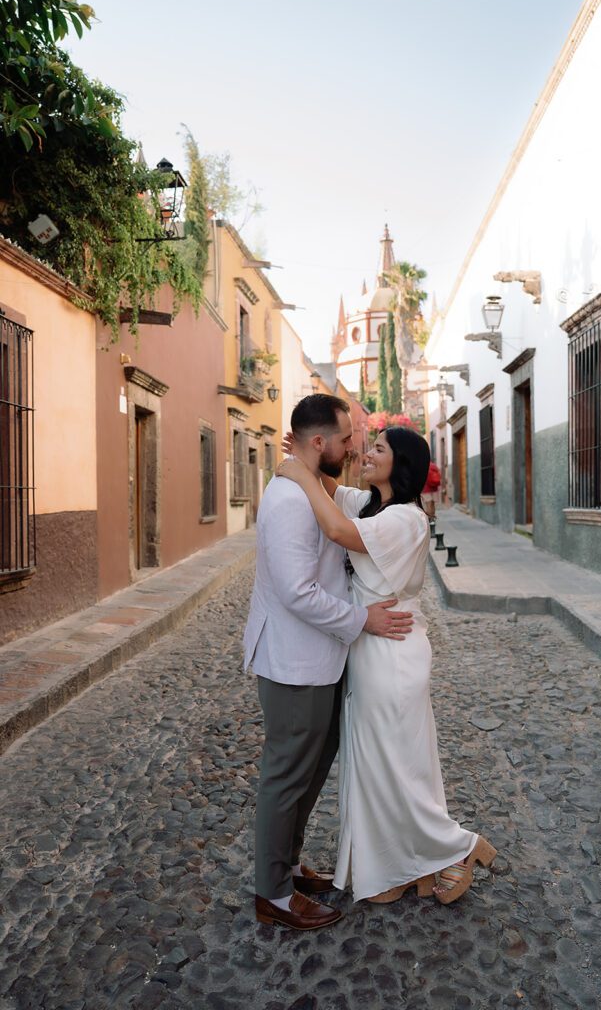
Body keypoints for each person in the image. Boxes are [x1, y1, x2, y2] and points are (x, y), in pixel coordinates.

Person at [276, 426, 496, 905]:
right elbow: (333, 492)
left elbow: (334, 527)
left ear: (403, 464)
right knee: (377, 763)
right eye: (367, 447)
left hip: (391, 653)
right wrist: (309, 453)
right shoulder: (374, 506)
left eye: (378, 449)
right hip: (371, 648)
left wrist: (295, 470)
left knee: (397, 764)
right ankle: (395, 867)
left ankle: (456, 847)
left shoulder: (405, 520)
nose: (366, 456)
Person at [243, 394, 414, 931]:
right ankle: (271, 892)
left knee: (311, 770)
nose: (354, 446)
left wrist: (305, 471)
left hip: (320, 660)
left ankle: (288, 866)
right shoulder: (290, 500)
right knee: (286, 775)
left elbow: (354, 514)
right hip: (293, 662)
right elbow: (297, 591)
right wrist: (362, 621)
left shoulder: (312, 488)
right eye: (347, 438)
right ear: (322, 443)